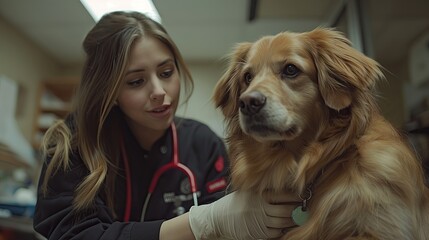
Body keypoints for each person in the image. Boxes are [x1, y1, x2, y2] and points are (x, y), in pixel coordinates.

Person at [33, 11, 299, 240]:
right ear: (109, 91)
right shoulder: (75, 142)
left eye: (166, 73)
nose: (159, 91)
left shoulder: (203, 144)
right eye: (136, 81)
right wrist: (201, 222)